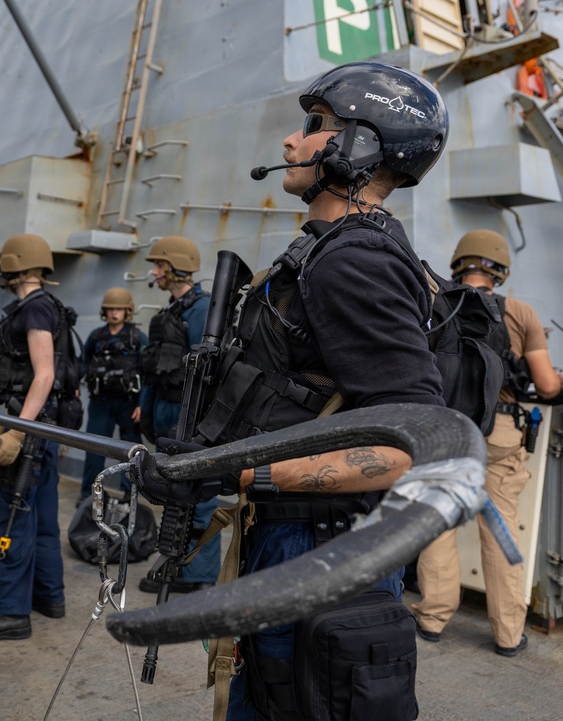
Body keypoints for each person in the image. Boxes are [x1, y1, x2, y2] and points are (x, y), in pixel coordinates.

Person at [172, 62, 449, 720]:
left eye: (314, 126)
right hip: (302, 539)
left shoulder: (353, 261)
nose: (292, 142)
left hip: (317, 547)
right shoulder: (331, 249)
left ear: (359, 147)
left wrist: (244, 472)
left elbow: (421, 445)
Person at [412, 229, 563, 657]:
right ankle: (509, 633)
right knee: (499, 529)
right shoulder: (520, 313)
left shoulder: (439, 303)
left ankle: (433, 616)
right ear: (500, 268)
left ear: (460, 263)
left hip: (447, 431)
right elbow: (548, 385)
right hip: (499, 435)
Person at [0, 234, 68, 642]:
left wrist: (18, 432)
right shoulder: (47, 305)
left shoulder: (34, 309)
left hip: (32, 432)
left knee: (15, 518)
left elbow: (44, 374)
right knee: (42, 519)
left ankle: (9, 612)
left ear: (11, 265)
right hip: (46, 426)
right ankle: (49, 597)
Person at [138, 235, 221, 594]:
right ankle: (174, 565)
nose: (154, 272)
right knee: (173, 493)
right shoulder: (169, 313)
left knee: (197, 493)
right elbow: (154, 368)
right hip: (164, 408)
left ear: (175, 268)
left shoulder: (201, 309)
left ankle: (198, 574)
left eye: (159, 265)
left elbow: (209, 371)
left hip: (189, 413)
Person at [78, 287, 147, 502]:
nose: (114, 313)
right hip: (101, 403)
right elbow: (83, 362)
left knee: (131, 452)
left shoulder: (137, 338)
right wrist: (76, 384)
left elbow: (147, 372)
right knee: (94, 450)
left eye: (118, 309)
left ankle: (130, 495)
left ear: (127, 311)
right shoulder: (96, 337)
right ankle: (88, 495)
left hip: (128, 403)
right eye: (110, 309)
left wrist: (142, 404)